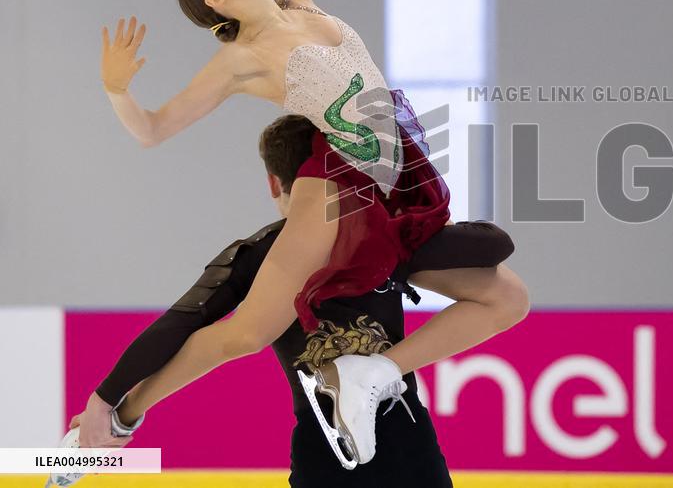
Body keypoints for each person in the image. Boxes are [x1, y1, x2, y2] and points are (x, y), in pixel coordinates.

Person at [98, 0, 529, 467]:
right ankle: (122, 415)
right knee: (248, 332)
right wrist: (118, 91)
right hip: (337, 186)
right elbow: (152, 129)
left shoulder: (297, 0)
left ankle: (372, 374)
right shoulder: (239, 60)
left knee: (507, 298)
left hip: (394, 181)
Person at [55, 114, 516, 488]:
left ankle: (115, 424)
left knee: (232, 338)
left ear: (273, 183)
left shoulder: (260, 255)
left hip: (327, 452)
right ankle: (379, 371)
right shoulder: (381, 238)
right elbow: (494, 251)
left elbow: (183, 325)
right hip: (410, 445)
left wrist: (113, 403)